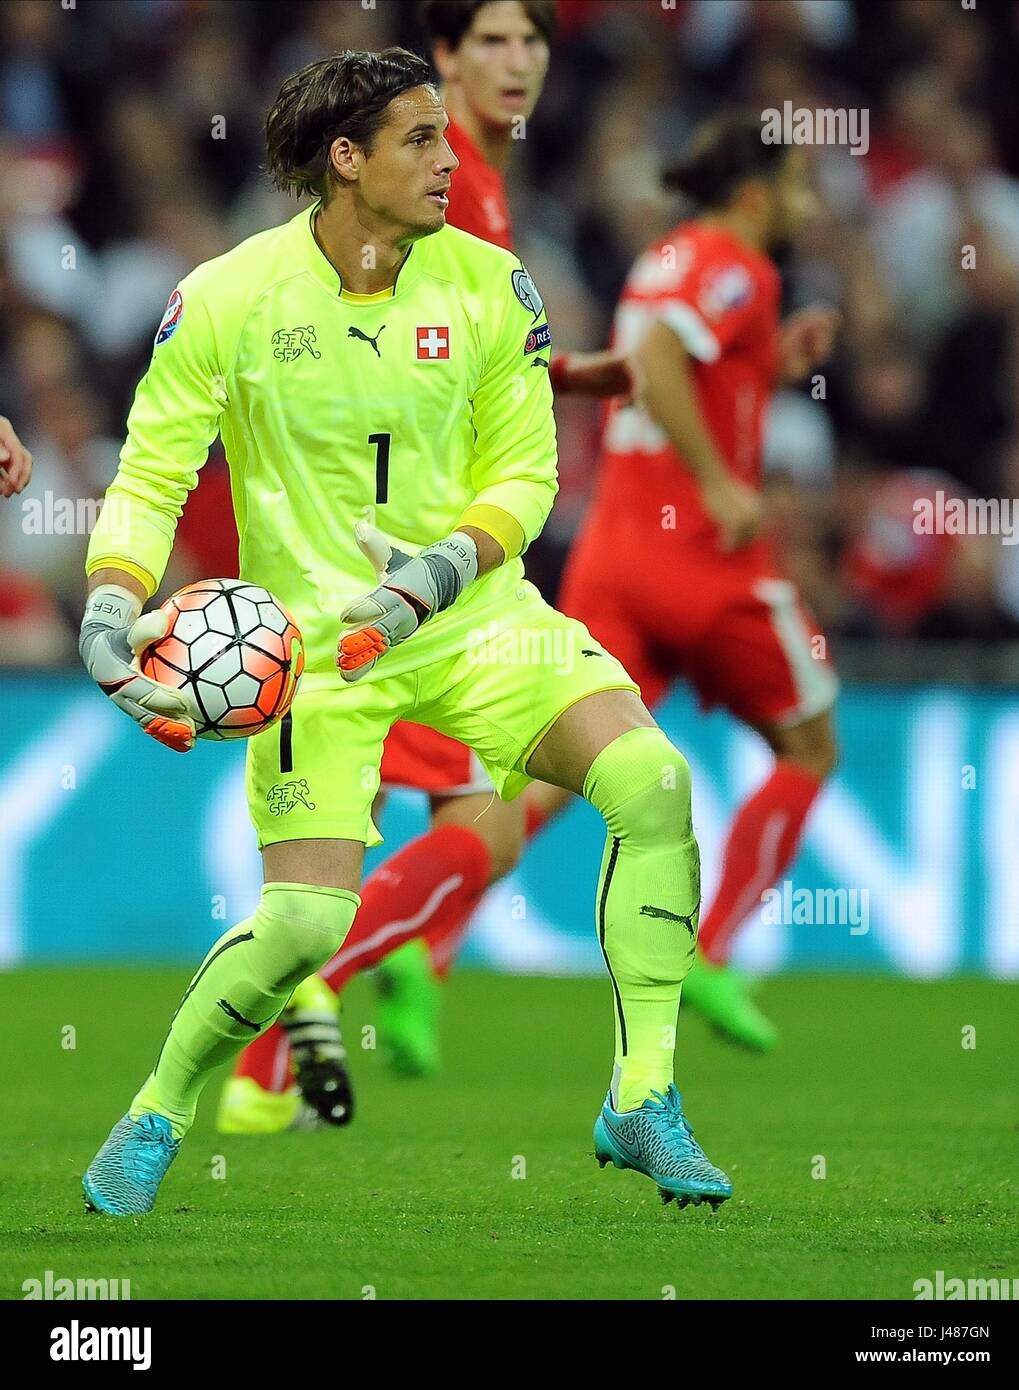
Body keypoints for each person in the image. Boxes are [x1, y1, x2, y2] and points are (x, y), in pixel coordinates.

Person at [79, 46, 731, 1216]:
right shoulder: (226, 297)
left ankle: (641, 1099)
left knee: (652, 780)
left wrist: (441, 567)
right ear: (346, 160)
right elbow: (150, 473)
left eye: (447, 138)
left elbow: (527, 472)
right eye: (419, 141)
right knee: (305, 922)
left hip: (473, 619)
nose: (449, 161)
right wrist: (111, 605)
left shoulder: (490, 285)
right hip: (310, 652)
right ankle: (157, 1110)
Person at [222, 0, 634, 1133]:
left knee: (471, 820)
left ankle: (348, 971)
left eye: (532, 42)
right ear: (444, 58)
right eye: (491, 41)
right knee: (486, 826)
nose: (517, 63)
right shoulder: (447, 197)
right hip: (406, 571)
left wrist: (576, 376)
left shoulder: (459, 191)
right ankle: (306, 991)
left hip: (427, 563)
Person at [531, 114, 841, 1050]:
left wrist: (765, 367)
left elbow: (650, 363)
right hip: (706, 562)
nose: (809, 202)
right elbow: (663, 363)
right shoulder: (746, 266)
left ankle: (423, 934)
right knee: (812, 745)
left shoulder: (664, 258)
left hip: (612, 554)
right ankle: (711, 947)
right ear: (756, 196)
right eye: (796, 184)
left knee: (554, 767)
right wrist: (717, 479)